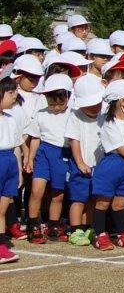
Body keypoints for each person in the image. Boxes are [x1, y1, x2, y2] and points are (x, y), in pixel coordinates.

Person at [91, 80, 124, 251]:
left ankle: (122, 233)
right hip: (111, 164)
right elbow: (120, 147)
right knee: (103, 203)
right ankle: (100, 235)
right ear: (123, 101)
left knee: (120, 203)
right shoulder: (108, 124)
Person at [25, 74, 73, 243]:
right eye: (51, 103)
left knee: (58, 194)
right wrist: (30, 159)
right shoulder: (41, 114)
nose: (56, 107)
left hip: (64, 154)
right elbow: (35, 138)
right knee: (37, 190)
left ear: (68, 96)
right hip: (44, 152)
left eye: (60, 103)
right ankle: (33, 226)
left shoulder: (73, 114)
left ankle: (54, 225)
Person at [64, 76, 104, 246]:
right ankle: (75, 229)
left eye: (97, 103)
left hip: (99, 165)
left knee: (93, 199)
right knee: (79, 199)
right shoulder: (75, 116)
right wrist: (80, 162)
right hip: (81, 166)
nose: (95, 107)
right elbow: (74, 141)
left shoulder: (103, 117)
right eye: (90, 105)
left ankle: (88, 227)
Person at [0, 77, 27, 263]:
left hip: (9, 161)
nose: (14, 96)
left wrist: (18, 170)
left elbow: (17, 146)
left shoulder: (11, 118)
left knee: (2, 210)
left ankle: (1, 245)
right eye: (10, 93)